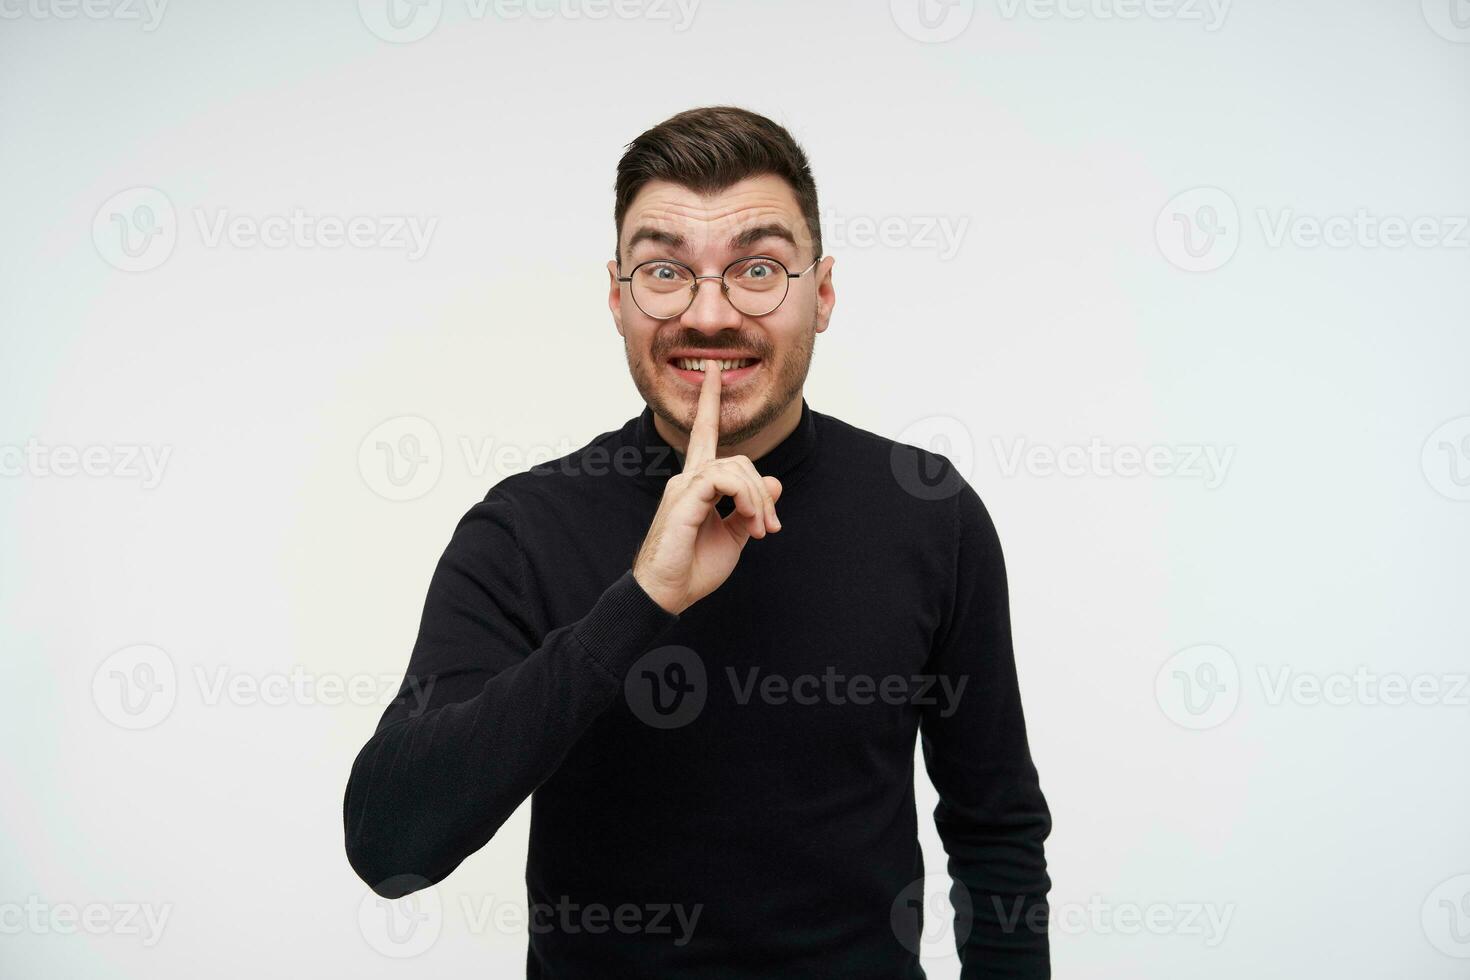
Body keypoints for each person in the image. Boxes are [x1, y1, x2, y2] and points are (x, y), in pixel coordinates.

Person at [343, 105, 1052, 978]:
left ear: (821, 295)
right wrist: (640, 600)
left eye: (757, 269)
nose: (709, 315)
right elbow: (389, 843)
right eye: (664, 271)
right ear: (616, 298)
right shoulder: (524, 528)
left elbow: (997, 832)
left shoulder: (930, 513)